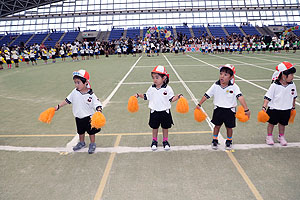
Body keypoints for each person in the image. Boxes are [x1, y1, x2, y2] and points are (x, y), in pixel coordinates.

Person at [196, 64, 250, 150]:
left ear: (231, 77)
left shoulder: (234, 87)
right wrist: (199, 104)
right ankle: (214, 139)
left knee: (229, 127)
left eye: (225, 75)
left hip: (230, 110)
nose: (222, 76)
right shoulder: (215, 85)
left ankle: (229, 140)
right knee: (217, 126)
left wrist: (246, 109)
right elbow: (207, 94)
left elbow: (240, 97)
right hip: (218, 109)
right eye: (221, 74)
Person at [54, 69, 103, 154]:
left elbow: (97, 103)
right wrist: (58, 106)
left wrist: (99, 110)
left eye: (78, 82)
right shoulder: (74, 92)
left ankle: (92, 144)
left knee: (91, 132)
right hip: (78, 117)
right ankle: (81, 143)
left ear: (85, 82)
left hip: (89, 117)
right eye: (75, 82)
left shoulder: (91, 94)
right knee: (80, 131)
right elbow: (67, 100)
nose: (76, 85)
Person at [135, 65, 182, 151]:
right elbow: (146, 96)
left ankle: (165, 141)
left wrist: (178, 97)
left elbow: (171, 99)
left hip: (165, 111)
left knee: (165, 127)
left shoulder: (168, 89)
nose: (154, 80)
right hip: (154, 111)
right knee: (155, 127)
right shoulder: (151, 88)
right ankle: (154, 141)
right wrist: (139, 95)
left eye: (157, 77)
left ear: (164, 78)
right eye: (153, 78)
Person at [262, 62, 297, 146]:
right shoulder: (275, 85)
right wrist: (264, 106)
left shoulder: (292, 85)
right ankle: (269, 136)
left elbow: (294, 96)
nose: (292, 76)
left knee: (282, 124)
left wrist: (293, 107)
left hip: (286, 108)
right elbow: (268, 96)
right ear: (283, 75)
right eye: (291, 74)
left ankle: (281, 136)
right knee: (271, 123)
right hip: (274, 108)